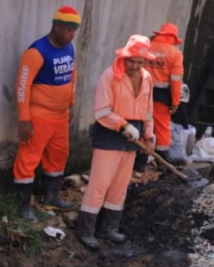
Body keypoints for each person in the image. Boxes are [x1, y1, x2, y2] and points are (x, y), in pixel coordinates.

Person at [76, 35, 155, 251]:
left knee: (120, 185)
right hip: (109, 135)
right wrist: (122, 125)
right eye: (132, 61)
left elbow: (148, 111)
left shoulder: (147, 77)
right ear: (125, 56)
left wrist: (149, 135)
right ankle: (86, 230)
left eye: (140, 62)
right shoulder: (109, 76)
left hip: (134, 138)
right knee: (99, 184)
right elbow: (101, 111)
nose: (135, 66)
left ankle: (109, 228)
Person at [12, 5, 81, 220]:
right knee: (28, 159)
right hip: (39, 117)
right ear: (57, 26)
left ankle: (51, 198)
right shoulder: (36, 51)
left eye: (74, 30)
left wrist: (70, 104)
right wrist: (24, 119)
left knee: (59, 156)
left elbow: (72, 76)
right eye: (69, 29)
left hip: (60, 118)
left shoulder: (69, 48)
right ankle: (23, 207)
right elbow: (22, 86)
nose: (72, 35)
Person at [134, 23, 185, 173]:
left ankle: (139, 163)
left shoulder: (146, 46)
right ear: (172, 38)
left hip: (140, 93)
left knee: (142, 126)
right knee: (161, 128)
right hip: (161, 97)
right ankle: (162, 161)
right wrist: (175, 102)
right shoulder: (175, 54)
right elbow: (176, 81)